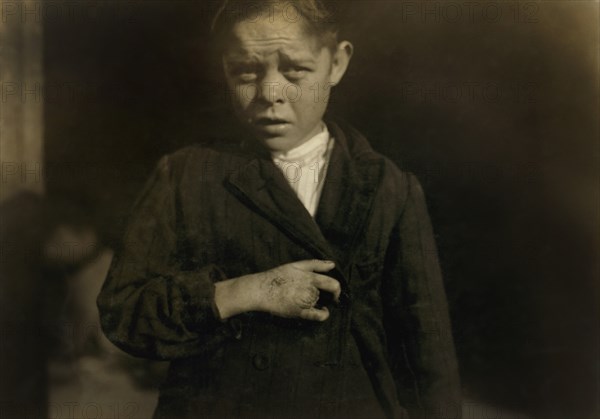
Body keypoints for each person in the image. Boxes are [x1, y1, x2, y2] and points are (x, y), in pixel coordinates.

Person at [97, 1, 461, 418]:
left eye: (295, 70)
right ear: (224, 69)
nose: (270, 92)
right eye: (246, 71)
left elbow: (428, 354)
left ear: (336, 64)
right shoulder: (185, 176)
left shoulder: (388, 187)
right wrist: (244, 291)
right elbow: (123, 312)